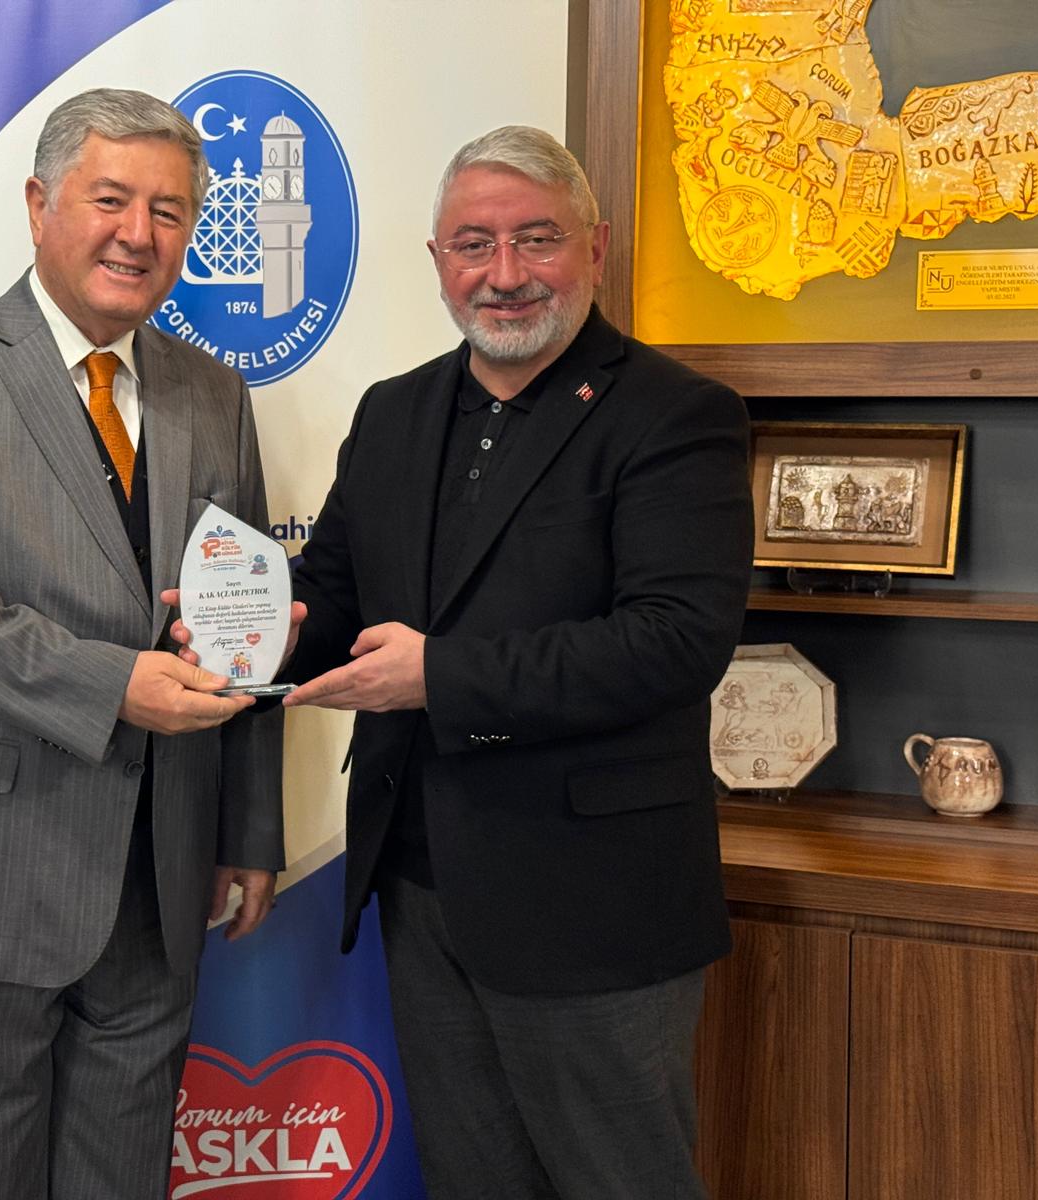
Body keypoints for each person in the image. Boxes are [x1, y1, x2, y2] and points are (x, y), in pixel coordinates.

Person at [282, 126, 753, 1198]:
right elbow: (337, 594)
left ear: (596, 248)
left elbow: (675, 640)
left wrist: (437, 679)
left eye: (536, 238)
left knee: (619, 1182)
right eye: (473, 244)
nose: (504, 274)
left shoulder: (677, 415)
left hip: (593, 904)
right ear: (437, 260)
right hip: (420, 883)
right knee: (473, 1180)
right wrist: (245, 628)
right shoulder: (393, 411)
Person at [0, 88, 284, 1200]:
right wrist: (112, 685)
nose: (139, 234)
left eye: (170, 212)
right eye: (110, 200)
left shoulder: (212, 393)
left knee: (120, 1175)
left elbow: (237, 615)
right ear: (40, 205)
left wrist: (247, 828)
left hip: (158, 870)